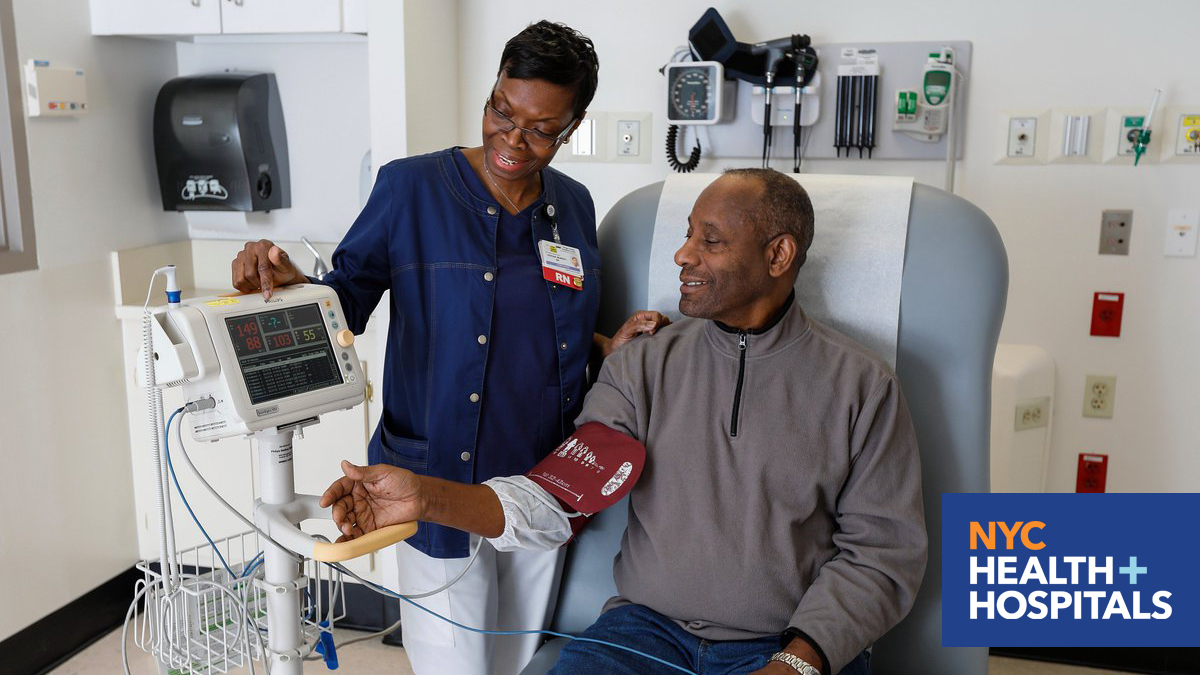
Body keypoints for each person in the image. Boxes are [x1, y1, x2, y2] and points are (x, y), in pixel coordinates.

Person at [320, 168, 928, 675]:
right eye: (688, 233)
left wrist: (799, 662)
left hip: (787, 647)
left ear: (779, 254)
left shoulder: (861, 386)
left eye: (710, 241)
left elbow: (881, 554)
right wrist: (423, 497)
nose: (682, 255)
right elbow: (557, 498)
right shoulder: (647, 365)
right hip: (643, 640)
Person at [230, 21, 668, 675]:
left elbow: (555, 329)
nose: (512, 140)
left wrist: (608, 343)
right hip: (433, 474)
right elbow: (340, 304)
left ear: (572, 128)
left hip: (540, 483)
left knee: (518, 658)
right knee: (452, 663)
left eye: (541, 128)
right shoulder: (410, 189)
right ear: (492, 93)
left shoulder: (573, 207)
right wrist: (289, 285)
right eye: (501, 110)